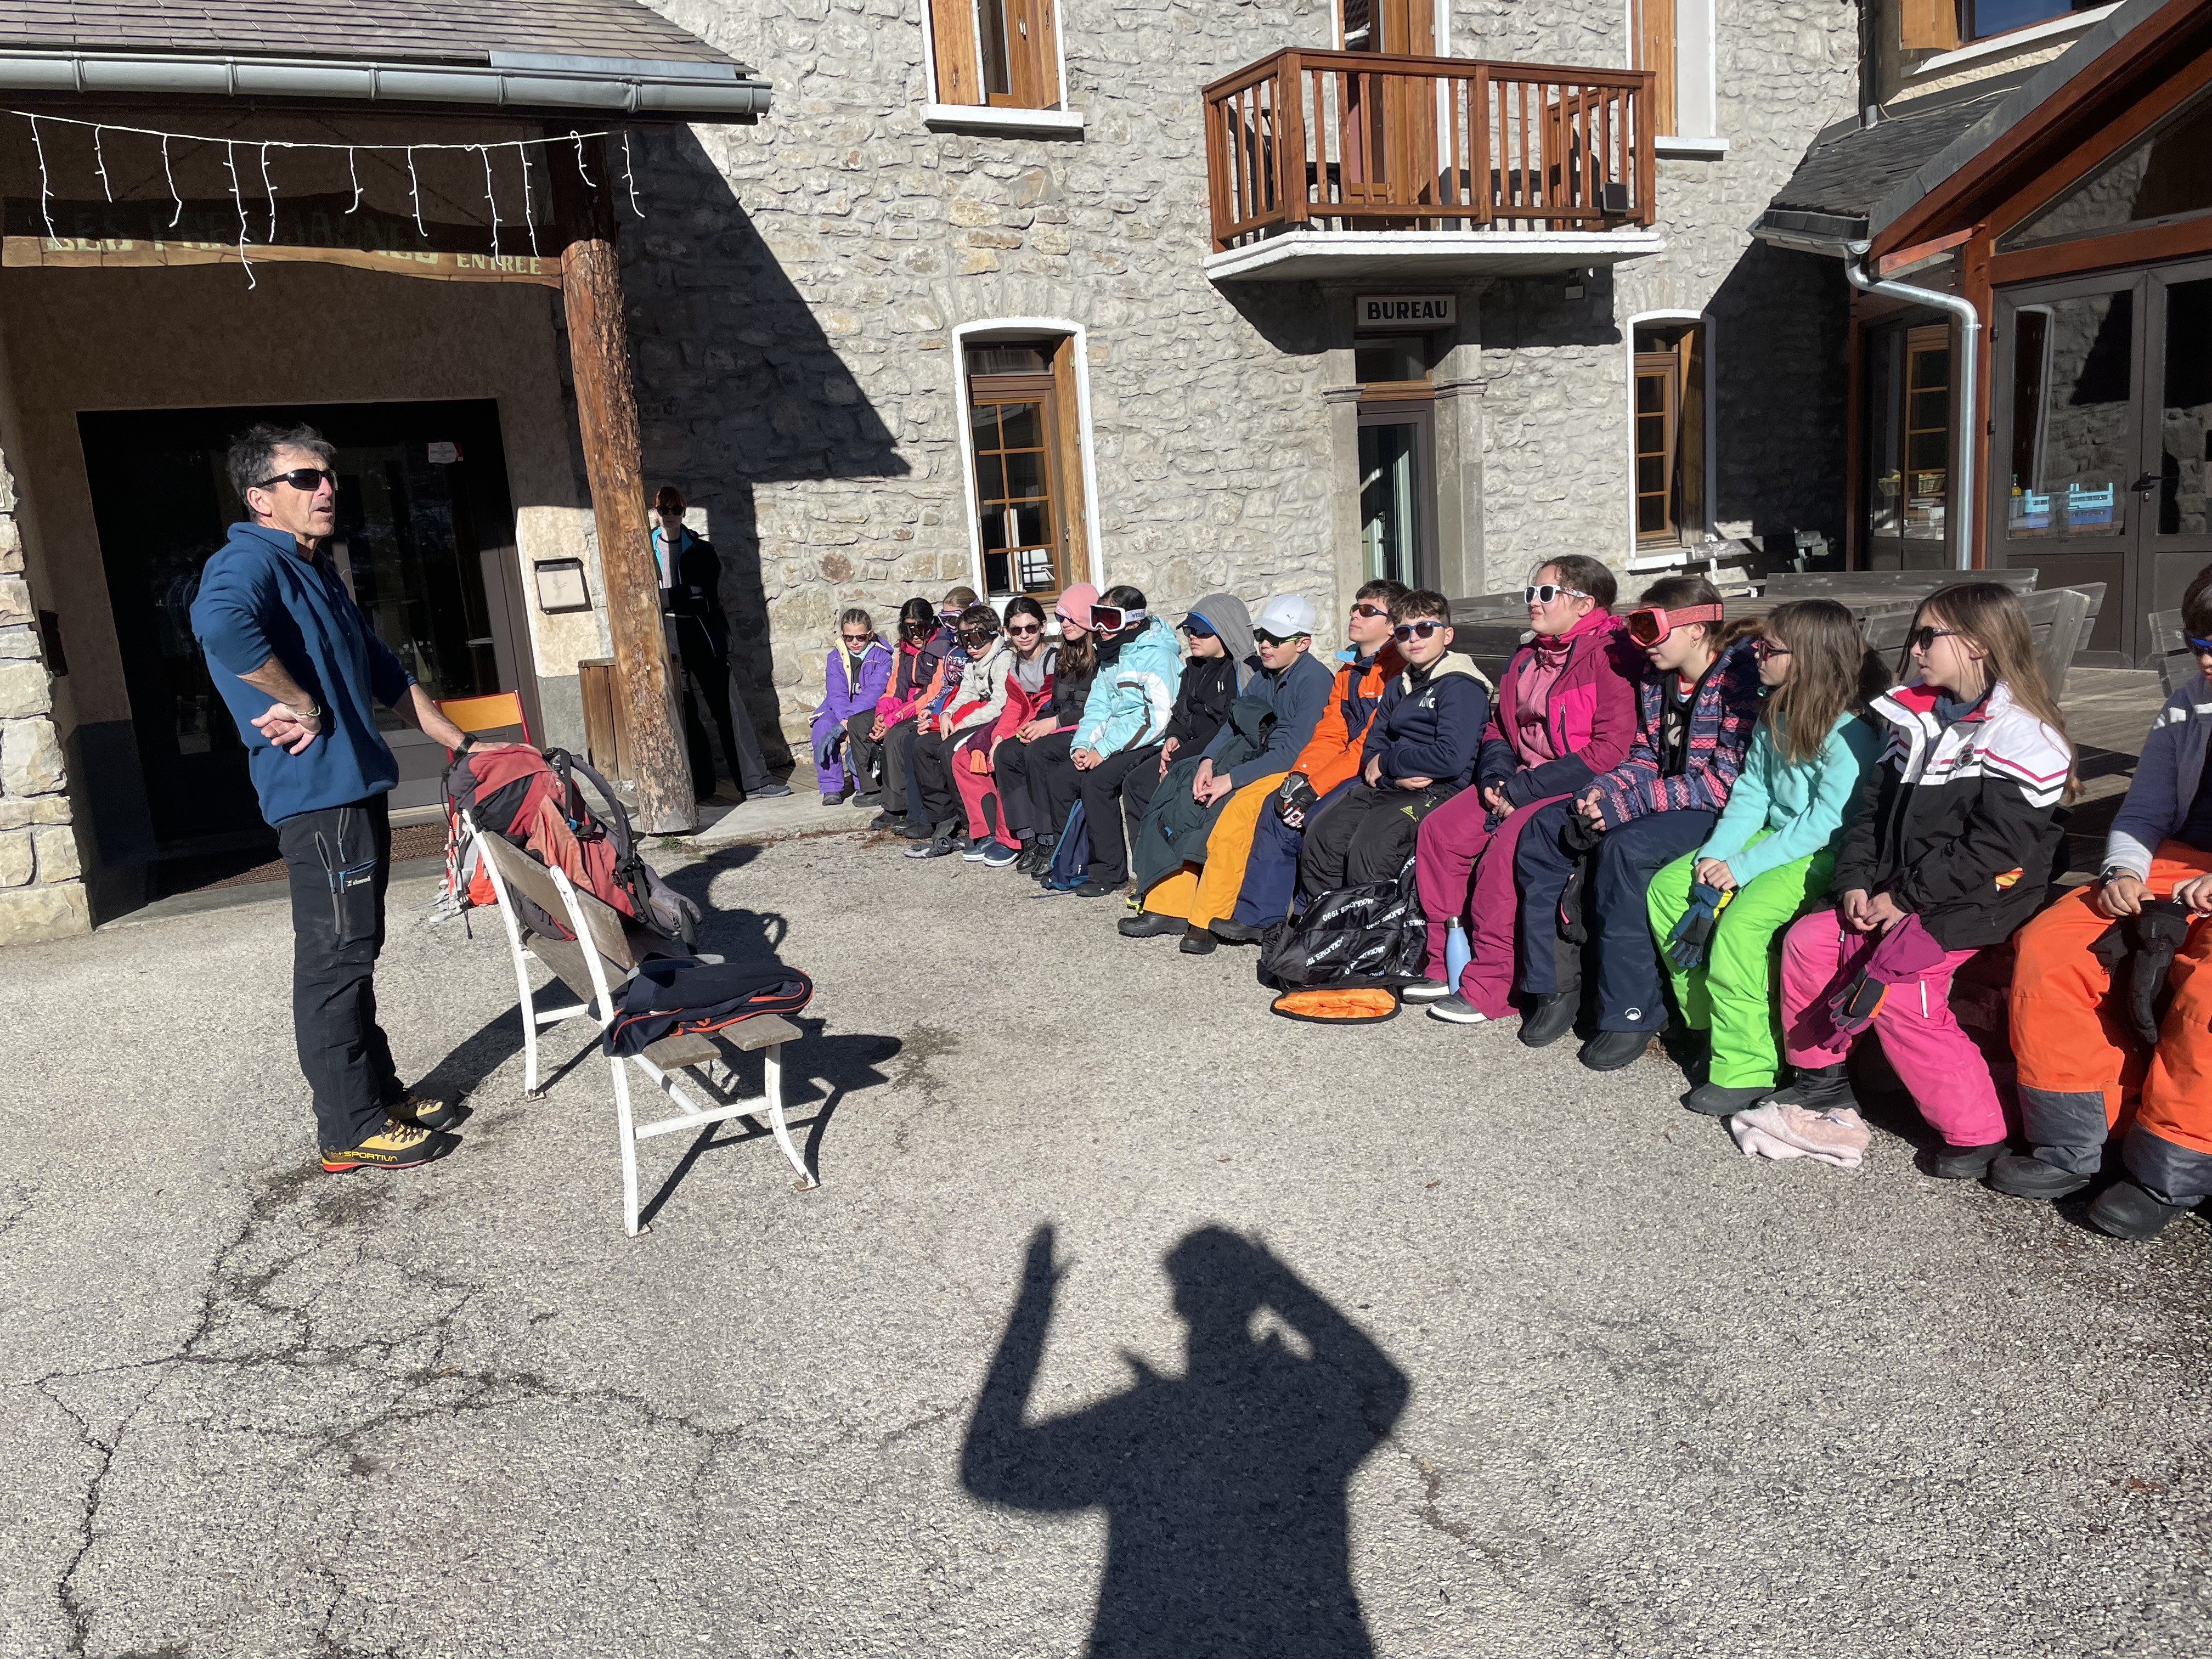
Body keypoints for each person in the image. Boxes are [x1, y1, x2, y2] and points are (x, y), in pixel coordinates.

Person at [190, 422, 485, 1173]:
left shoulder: (314, 569)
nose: (326, 489)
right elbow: (218, 626)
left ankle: (378, 1096)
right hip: (317, 798)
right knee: (334, 960)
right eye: (305, 479)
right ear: (260, 498)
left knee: (358, 950)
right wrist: (300, 701)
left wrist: (464, 746)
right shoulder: (248, 561)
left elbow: (386, 671)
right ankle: (348, 1127)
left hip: (355, 790)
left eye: (328, 477)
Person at [1771, 583, 2073, 1182]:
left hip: (1977, 898)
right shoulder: (1912, 718)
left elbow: (1995, 847)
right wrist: (1857, 881)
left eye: (1928, 636)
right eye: (1916, 636)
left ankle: (1977, 1132)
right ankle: (1823, 1082)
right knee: (1811, 939)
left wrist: (1904, 898)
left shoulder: (2023, 734)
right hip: (1900, 888)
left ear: (1979, 644)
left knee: (1904, 989)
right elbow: (1870, 813)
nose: (1914, 650)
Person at [2004, 565, 2212, 1238]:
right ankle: (2075, 1140)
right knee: (2050, 948)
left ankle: (2171, 1169)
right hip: (2172, 859)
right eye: (2198, 644)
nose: (2206, 662)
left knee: (2206, 995)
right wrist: (2123, 868)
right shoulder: (2187, 704)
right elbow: (2145, 808)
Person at [1511, 575, 1762, 1070]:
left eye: (1653, 630)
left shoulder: (1738, 683)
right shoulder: (1657, 678)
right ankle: (1555, 984)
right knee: (1547, 827)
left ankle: (1632, 1010)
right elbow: (1646, 754)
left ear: (1696, 629)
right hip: (1665, 800)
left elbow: (1725, 784)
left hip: (1718, 813)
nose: (1643, 645)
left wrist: (1628, 806)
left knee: (1624, 849)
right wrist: (1602, 792)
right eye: (1637, 630)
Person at [1644, 600, 1881, 1116]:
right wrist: (1716, 855)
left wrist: (1742, 868)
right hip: (1773, 835)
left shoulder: (1849, 734)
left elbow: (1826, 823)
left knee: (1741, 928)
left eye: (1769, 649)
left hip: (1820, 854)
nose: (1756, 654)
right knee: (1669, 889)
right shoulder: (1776, 711)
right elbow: (1752, 792)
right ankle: (1709, 1025)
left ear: (1810, 659)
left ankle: (1749, 1065)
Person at [1408, 557, 1638, 1024]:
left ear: (1585, 604)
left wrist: (1524, 789)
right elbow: (1498, 728)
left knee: (1503, 854)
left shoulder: (1610, 657)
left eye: (1546, 593)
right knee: (1440, 831)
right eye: (1531, 592)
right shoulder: (1528, 656)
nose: (1533, 601)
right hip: (1518, 778)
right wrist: (1495, 776)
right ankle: (1445, 961)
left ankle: (1492, 986)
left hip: (1574, 785)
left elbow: (1610, 749)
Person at [1122, 593, 1333, 953]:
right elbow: (1232, 724)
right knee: (1181, 790)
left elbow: (1291, 753)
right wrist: (1207, 762)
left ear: (1303, 643)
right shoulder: (1264, 675)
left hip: (1289, 769)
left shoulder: (1314, 680)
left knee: (1234, 813)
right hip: (1250, 758)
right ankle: (1169, 904)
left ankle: (1207, 918)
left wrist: (1228, 780)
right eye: (1261, 636)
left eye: (1276, 639)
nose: (1264, 645)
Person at [1214, 581, 1407, 941]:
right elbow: (1331, 731)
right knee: (1278, 805)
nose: (1355, 615)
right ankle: (1259, 917)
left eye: (1367, 611)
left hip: (1371, 769)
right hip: (1344, 764)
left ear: (1392, 624)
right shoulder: (1351, 667)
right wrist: (1300, 775)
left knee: (1317, 815)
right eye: (1355, 607)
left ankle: (1309, 917)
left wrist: (1315, 787)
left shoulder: (1395, 670)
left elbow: (1367, 742)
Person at [1296, 589, 1488, 896]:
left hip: (1439, 789)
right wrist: (1390, 774)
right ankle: (1329, 918)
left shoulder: (1460, 686)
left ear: (1448, 635)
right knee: (1323, 835)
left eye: (1425, 629)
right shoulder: (1399, 684)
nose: (1414, 639)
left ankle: (1376, 922)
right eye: (1403, 632)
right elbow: (1373, 746)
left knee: (1372, 849)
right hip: (1391, 784)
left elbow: (1450, 758)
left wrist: (1387, 763)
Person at [651, 487, 788, 801]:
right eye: (664, 509)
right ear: (655, 512)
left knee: (729, 710)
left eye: (676, 509)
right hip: (666, 638)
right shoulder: (644, 549)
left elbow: (704, 596)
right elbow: (642, 596)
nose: (670, 515)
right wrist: (678, 596)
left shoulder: (701, 549)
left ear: (684, 512)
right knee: (684, 714)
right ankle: (700, 787)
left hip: (704, 636)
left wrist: (662, 598)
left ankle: (754, 783)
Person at [1068, 587, 1184, 898]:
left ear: (1133, 621)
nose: (1100, 627)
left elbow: (1157, 717)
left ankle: (1113, 872)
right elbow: (1098, 706)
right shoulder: (1113, 653)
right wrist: (1083, 744)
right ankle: (1069, 859)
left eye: (1110, 619)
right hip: (1120, 738)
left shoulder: (1158, 655)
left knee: (1099, 781)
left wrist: (1104, 750)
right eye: (1097, 617)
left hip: (1155, 739)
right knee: (1069, 772)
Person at [1119, 594, 1255, 834]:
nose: (1192, 637)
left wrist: (1177, 759)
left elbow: (1228, 728)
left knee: (1165, 791)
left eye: (1201, 632)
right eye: (1189, 630)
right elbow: (1182, 711)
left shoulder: (1240, 673)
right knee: (1135, 783)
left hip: (1217, 754)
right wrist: (1175, 737)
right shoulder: (1194, 667)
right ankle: (1148, 855)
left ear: (1224, 632)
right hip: (1187, 748)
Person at [997, 585, 1098, 876]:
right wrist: (1037, 723)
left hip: (1088, 730)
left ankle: (1048, 838)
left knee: (1038, 753)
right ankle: (1027, 835)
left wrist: (1051, 724)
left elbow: (1094, 707)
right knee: (1007, 751)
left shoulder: (1099, 655)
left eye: (1071, 618)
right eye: (1061, 618)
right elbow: (1056, 702)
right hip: (1063, 723)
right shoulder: (1067, 653)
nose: (1064, 624)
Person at [906, 604, 1014, 860]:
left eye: (976, 637)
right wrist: (947, 714)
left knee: (950, 749)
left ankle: (975, 826)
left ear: (992, 634)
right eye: (965, 639)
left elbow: (1001, 703)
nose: (971, 646)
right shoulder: (973, 661)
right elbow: (965, 692)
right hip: (976, 717)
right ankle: (944, 819)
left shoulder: (1004, 659)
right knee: (923, 746)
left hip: (993, 720)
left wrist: (965, 722)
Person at [956, 595, 1057, 868]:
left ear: (1043, 627)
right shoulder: (1016, 663)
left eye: (1030, 628)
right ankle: (1005, 834)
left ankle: (1029, 838)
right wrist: (1000, 735)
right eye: (1016, 630)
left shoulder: (1053, 660)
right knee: (982, 755)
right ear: (1007, 632)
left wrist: (1014, 735)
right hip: (1022, 724)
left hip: (1046, 725)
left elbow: (1048, 705)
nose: (1024, 635)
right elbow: (1013, 705)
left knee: (1015, 757)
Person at [857, 597, 955, 832]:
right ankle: (873, 789)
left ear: (931, 625)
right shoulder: (905, 649)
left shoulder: (941, 648)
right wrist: (883, 714)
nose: (915, 636)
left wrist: (893, 720)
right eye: (909, 630)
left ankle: (896, 807)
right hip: (905, 706)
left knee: (897, 735)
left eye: (921, 629)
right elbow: (896, 688)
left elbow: (931, 694)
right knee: (859, 722)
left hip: (926, 707)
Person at [809, 607, 892, 806]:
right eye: (849, 637)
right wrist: (844, 720)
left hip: (866, 710)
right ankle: (831, 786)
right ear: (842, 635)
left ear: (870, 635)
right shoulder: (835, 657)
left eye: (860, 637)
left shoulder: (883, 657)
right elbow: (836, 692)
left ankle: (862, 782)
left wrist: (849, 722)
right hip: (840, 709)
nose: (855, 642)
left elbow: (873, 692)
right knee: (822, 727)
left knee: (860, 728)